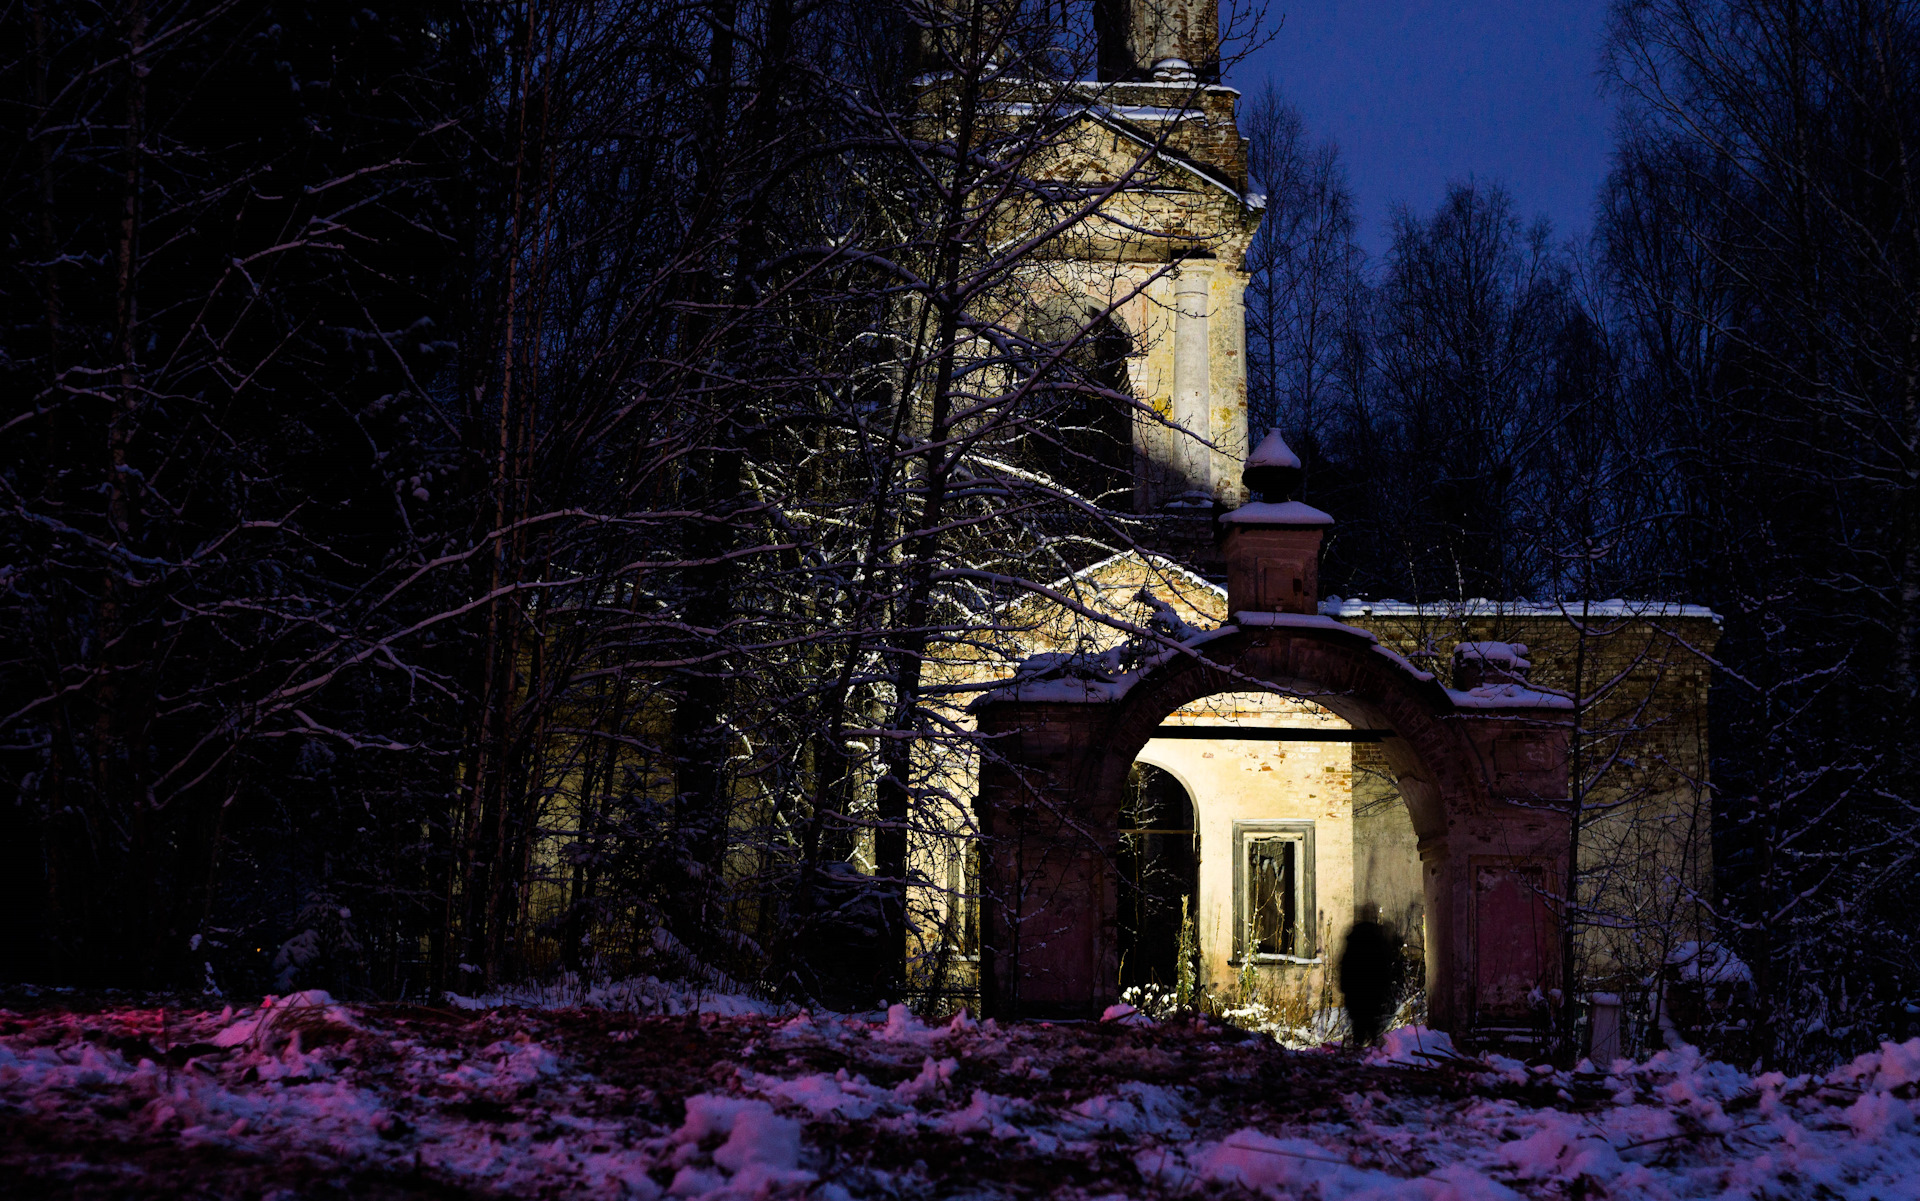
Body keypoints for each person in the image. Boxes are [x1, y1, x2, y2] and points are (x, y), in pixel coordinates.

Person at [1339, 902, 1405, 1047]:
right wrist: (1384, 986)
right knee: (1371, 1022)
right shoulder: (1378, 939)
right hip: (1372, 989)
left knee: (1359, 1023)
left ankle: (1361, 1048)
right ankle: (1373, 1049)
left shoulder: (1354, 938)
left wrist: (1344, 985)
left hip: (1356, 990)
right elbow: (1383, 965)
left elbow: (1346, 963)